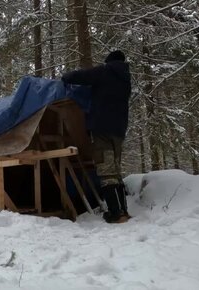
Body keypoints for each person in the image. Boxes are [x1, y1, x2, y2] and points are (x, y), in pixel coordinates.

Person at [61, 50, 131, 223]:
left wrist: (66, 77)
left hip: (102, 129)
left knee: (106, 170)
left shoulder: (105, 71)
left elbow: (81, 76)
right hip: (119, 131)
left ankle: (116, 213)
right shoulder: (126, 79)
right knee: (115, 169)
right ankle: (123, 210)